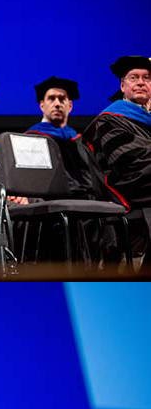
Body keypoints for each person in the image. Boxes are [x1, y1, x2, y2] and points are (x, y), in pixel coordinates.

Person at [83, 56, 151, 264]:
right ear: (123, 86)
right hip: (129, 188)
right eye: (134, 77)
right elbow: (130, 162)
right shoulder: (111, 119)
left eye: (147, 78)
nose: (141, 82)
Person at [26, 77, 99, 199]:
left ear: (70, 106)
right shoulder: (32, 138)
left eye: (62, 99)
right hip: (50, 204)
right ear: (42, 105)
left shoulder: (80, 141)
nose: (57, 104)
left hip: (88, 202)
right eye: (51, 99)